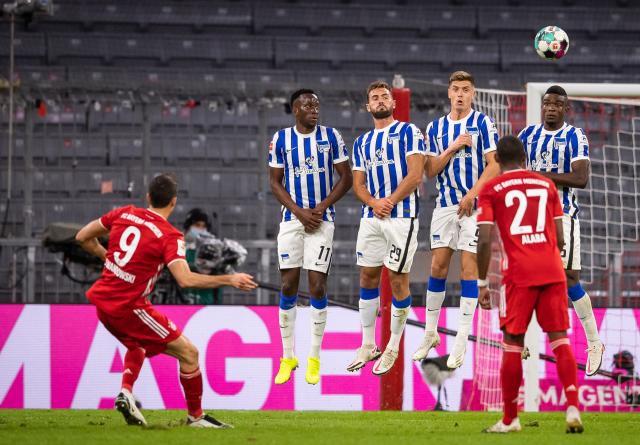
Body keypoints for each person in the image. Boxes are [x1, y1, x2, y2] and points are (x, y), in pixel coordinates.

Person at [75, 173, 257, 428]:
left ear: (148, 197)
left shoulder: (124, 213)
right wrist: (229, 279)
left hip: (103, 303)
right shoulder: (169, 235)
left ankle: (126, 392)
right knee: (189, 353)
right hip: (129, 307)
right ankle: (196, 417)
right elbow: (185, 279)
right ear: (173, 202)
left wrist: (108, 258)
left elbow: (82, 236)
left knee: (137, 345)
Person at [476, 136, 582, 433]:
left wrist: (482, 282)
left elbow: (483, 240)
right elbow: (561, 238)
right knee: (559, 339)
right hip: (552, 270)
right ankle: (572, 406)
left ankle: (510, 419)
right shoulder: (546, 185)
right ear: (525, 157)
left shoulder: (491, 189)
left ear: (496, 159)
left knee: (512, 343)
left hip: (518, 275)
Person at [413, 71, 500, 369]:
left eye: (466, 89)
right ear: (449, 93)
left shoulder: (483, 123)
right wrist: (453, 147)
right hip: (445, 206)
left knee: (468, 269)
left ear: (473, 93)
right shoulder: (436, 128)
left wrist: (474, 194)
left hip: (475, 206)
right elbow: (431, 170)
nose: (460, 94)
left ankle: (461, 341)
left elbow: (495, 164)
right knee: (437, 266)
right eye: (456, 89)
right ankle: (430, 333)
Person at [518, 85, 604, 376]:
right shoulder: (527, 136)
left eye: (557, 104)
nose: (550, 107)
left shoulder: (574, 136)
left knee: (568, 279)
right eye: (546, 103)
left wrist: (541, 177)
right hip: (530, 219)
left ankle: (594, 342)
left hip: (563, 215)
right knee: (526, 278)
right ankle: (520, 338)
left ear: (566, 109)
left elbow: (581, 178)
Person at [268, 89, 352, 385]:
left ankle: (314, 357)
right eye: (307, 105)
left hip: (322, 220)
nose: (314, 108)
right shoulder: (281, 139)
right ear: (295, 109)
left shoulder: (331, 137)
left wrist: (321, 207)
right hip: (292, 219)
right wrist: (298, 211)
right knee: (288, 284)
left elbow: (347, 178)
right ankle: (288, 355)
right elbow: (274, 182)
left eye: (317, 104)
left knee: (317, 287)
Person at [347, 80, 425, 376]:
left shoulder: (409, 131)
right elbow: (358, 184)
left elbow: (416, 175)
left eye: (384, 97)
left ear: (393, 103)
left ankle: (392, 345)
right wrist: (372, 202)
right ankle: (368, 344)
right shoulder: (362, 143)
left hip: (402, 217)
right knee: (367, 275)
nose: (379, 101)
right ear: (368, 106)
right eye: (374, 98)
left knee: (396, 279)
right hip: (371, 216)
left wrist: (389, 201)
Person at [182, 208, 221, 305]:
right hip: (180, 302)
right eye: (197, 225)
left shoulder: (211, 251)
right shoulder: (177, 248)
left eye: (204, 226)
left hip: (207, 302)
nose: (200, 229)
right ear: (188, 226)